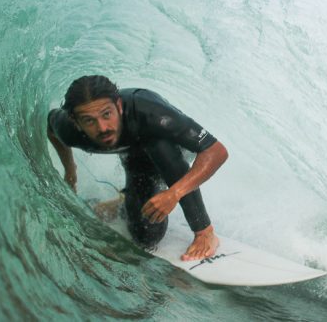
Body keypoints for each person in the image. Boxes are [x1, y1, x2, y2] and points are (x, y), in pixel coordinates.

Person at [47, 75, 228, 261]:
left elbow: (216, 151)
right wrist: (70, 171)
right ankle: (125, 202)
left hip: (172, 148)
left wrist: (174, 193)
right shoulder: (67, 129)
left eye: (107, 114)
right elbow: (50, 127)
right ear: (75, 121)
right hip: (135, 156)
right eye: (89, 121)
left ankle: (205, 232)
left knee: (161, 147)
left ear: (118, 106)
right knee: (146, 237)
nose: (102, 128)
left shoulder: (153, 115)